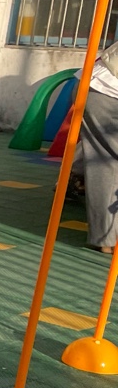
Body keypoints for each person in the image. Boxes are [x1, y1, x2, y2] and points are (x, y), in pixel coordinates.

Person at [77, 40, 118, 254]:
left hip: (98, 85)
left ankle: (105, 239)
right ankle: (105, 239)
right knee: (105, 162)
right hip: (107, 91)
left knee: (104, 163)